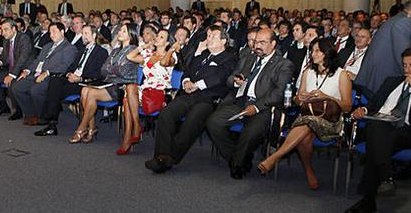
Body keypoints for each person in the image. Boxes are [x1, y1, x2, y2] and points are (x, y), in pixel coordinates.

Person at [346, 47, 411, 213]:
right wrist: (363, 110)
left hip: (407, 130)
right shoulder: (392, 81)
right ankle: (384, 178)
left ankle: (372, 195)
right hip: (381, 124)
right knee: (376, 127)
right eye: (405, 65)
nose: (407, 70)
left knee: (375, 143)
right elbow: (373, 104)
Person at [257, 38, 352, 190]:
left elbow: (347, 106)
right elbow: (297, 99)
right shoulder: (308, 72)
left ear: (327, 53)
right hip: (307, 116)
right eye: (312, 50)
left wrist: (326, 97)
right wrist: (298, 98)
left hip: (330, 121)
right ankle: (308, 170)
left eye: (317, 51)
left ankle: (275, 157)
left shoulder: (341, 75)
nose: (312, 54)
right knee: (305, 134)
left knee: (306, 123)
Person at [144, 25, 238, 173]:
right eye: (208, 36)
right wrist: (186, 81)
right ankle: (161, 155)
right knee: (167, 113)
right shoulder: (202, 55)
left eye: (213, 36)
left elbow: (219, 77)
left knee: (192, 121)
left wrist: (197, 85)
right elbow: (187, 70)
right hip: (189, 94)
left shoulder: (230, 58)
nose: (209, 38)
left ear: (223, 41)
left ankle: (169, 158)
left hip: (209, 99)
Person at [206, 28, 294, 179]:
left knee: (249, 134)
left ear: (273, 44)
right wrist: (235, 81)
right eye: (255, 42)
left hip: (265, 108)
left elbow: (279, 93)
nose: (257, 46)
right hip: (241, 101)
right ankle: (239, 158)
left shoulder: (284, 64)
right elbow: (230, 77)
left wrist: (257, 107)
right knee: (213, 122)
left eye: (262, 42)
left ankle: (238, 164)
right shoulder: (249, 57)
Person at [69, 23, 137, 144]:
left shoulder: (133, 50)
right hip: (110, 84)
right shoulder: (115, 50)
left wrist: (112, 69)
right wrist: (114, 69)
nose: (119, 32)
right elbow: (104, 69)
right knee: (85, 90)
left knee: (90, 93)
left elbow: (123, 72)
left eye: (123, 31)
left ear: (131, 35)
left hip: (123, 87)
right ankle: (91, 128)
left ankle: (83, 127)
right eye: (120, 30)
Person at [35, 25, 108, 136]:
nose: (83, 36)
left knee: (55, 90)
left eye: (86, 33)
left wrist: (80, 78)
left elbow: (98, 73)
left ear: (94, 35)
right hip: (74, 79)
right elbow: (72, 65)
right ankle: (51, 123)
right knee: (55, 81)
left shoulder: (101, 52)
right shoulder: (82, 50)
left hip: (86, 82)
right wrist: (69, 73)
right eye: (82, 33)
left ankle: (50, 121)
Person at [355, 0, 411, 98]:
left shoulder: (398, 19)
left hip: (375, 79)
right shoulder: (403, 23)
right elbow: (404, 60)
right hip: (381, 82)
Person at [119, 29, 177, 154]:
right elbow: (130, 56)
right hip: (145, 90)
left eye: (161, 37)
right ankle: (135, 127)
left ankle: (129, 136)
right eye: (157, 36)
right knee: (129, 90)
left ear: (167, 43)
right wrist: (144, 46)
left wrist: (171, 49)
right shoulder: (148, 54)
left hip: (160, 92)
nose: (156, 38)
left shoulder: (172, 56)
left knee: (127, 98)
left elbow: (163, 62)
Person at [9, 22, 78, 125]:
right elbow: (37, 60)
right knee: (17, 87)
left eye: (54, 32)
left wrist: (47, 73)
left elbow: (65, 66)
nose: (51, 35)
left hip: (53, 77)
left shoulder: (70, 48)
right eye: (50, 32)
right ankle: (31, 114)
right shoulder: (47, 46)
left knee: (35, 90)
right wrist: (27, 71)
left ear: (62, 32)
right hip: (36, 74)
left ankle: (43, 116)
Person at [0, 19, 33, 120]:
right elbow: (5, 58)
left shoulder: (23, 38)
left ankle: (18, 110)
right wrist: (0, 62)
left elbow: (23, 59)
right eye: (2, 30)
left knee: (11, 82)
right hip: (12, 69)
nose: (3, 33)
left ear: (14, 29)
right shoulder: (6, 41)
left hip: (23, 70)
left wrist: (12, 75)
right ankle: (3, 106)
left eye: (5, 29)